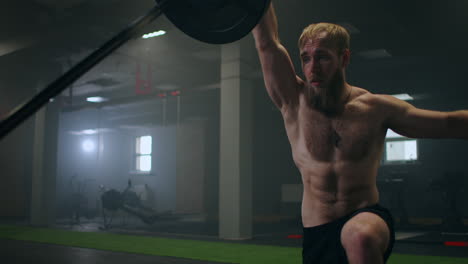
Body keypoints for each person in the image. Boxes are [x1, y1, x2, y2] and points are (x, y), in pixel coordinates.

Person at [252, 2, 468, 264]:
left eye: (322, 56)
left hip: (365, 218)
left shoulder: (376, 109)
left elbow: (448, 123)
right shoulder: (293, 102)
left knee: (359, 236)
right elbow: (267, 43)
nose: (312, 67)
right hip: (317, 232)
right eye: (306, 58)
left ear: (344, 58)